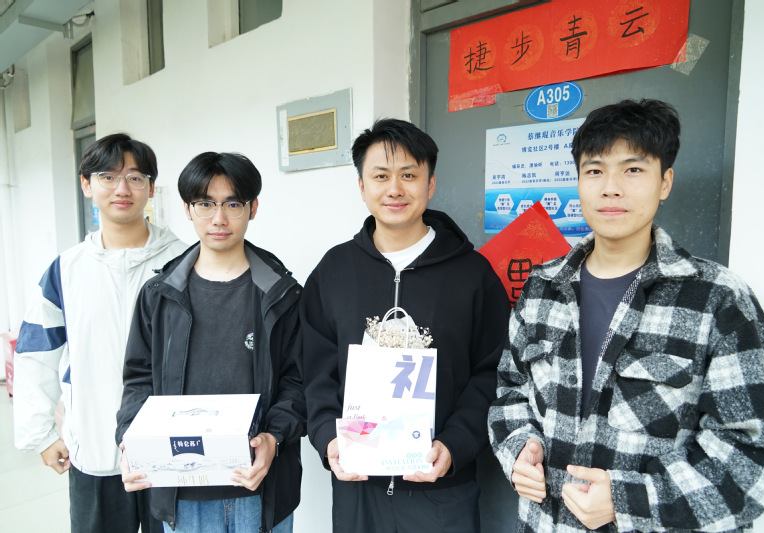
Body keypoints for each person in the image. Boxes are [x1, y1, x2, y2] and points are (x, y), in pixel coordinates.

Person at [489, 99, 764, 532]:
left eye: (633, 169)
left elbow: (755, 453)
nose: (610, 188)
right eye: (594, 170)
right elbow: (510, 391)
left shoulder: (717, 299)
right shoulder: (542, 288)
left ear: (664, 181)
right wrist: (519, 447)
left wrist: (629, 500)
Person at [301, 118, 510, 532]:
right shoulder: (334, 271)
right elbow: (313, 369)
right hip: (358, 488)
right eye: (380, 176)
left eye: (409, 176)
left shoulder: (472, 274)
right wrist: (328, 437)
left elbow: (494, 371)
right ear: (362, 186)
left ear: (430, 185)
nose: (394, 189)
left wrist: (455, 444)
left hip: (442, 490)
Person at [115, 152, 304, 533]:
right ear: (188, 209)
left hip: (259, 488)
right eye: (205, 204)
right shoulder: (158, 295)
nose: (219, 219)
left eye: (232, 204)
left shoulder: (282, 295)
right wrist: (130, 439)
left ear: (253, 208)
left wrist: (274, 437)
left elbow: (298, 381)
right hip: (183, 492)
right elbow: (138, 380)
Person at [13, 133, 187, 533]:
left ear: (151, 188)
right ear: (86, 185)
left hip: (171, 452)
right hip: (94, 448)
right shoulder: (66, 269)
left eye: (135, 178)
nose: (122, 189)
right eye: (107, 177)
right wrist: (41, 435)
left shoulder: (183, 262)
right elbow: (35, 353)